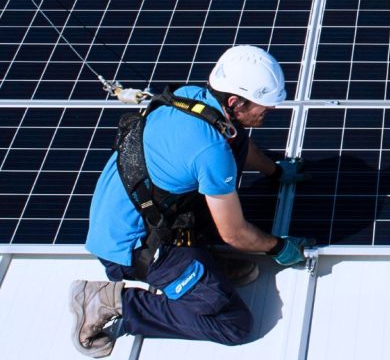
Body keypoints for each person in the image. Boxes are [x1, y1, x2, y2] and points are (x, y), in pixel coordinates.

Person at [70, 45, 314, 357]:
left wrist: (275, 171)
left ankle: (203, 263)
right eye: (263, 105)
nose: (271, 110)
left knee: (231, 149)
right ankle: (110, 300)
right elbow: (234, 234)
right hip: (134, 247)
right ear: (235, 102)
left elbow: (235, 139)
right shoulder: (210, 151)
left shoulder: (193, 98)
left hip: (135, 210)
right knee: (233, 324)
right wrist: (279, 248)